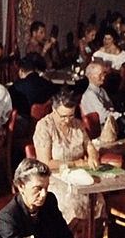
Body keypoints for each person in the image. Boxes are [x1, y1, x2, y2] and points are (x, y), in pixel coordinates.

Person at [33, 88, 104, 230]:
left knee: (97, 197)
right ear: (54, 110)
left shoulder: (77, 124)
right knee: (72, 202)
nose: (67, 120)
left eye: (71, 116)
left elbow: (89, 144)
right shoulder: (44, 126)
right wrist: (74, 163)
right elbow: (45, 163)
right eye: (63, 116)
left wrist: (92, 155)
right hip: (53, 176)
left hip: (78, 174)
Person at [80, 61, 113, 125]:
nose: (103, 77)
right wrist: (121, 115)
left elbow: (111, 107)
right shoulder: (89, 93)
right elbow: (103, 117)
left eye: (103, 74)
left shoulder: (102, 90)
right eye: (100, 75)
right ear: (90, 76)